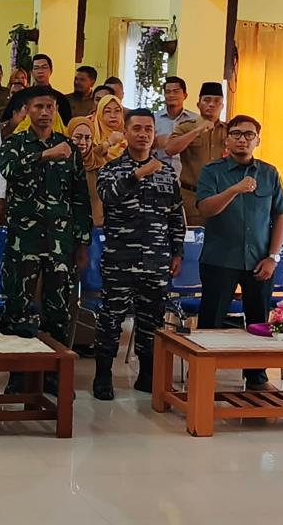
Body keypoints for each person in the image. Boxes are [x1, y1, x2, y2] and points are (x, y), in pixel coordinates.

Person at [0, 87, 92, 394]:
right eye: (38, 106)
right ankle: (18, 375)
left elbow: (80, 198)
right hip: (23, 242)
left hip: (60, 242)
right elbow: (11, 171)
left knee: (58, 310)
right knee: (18, 307)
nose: (44, 112)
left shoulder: (69, 148)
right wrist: (43, 155)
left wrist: (81, 242)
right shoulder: (14, 144)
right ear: (27, 110)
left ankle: (54, 375)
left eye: (49, 107)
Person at [91, 109, 185, 401]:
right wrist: (137, 175)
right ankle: (103, 376)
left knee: (151, 321)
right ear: (127, 133)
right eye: (137, 129)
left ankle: (147, 375)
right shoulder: (112, 170)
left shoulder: (167, 172)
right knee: (111, 320)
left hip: (155, 260)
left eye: (148, 129)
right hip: (121, 259)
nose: (143, 134)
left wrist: (177, 250)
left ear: (154, 134)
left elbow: (174, 216)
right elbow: (107, 197)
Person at [195, 115, 283, 391]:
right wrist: (234, 189)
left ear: (258, 140)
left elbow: (280, 215)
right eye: (236, 133)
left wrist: (273, 257)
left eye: (249, 135)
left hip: (259, 262)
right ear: (227, 139)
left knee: (259, 321)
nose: (242, 139)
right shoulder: (212, 172)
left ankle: (257, 376)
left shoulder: (269, 173)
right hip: (220, 260)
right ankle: (204, 376)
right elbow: (206, 209)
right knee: (212, 321)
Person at [166, 82, 228, 225]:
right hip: (192, 197)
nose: (211, 105)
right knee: (192, 241)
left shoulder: (229, 130)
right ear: (198, 104)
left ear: (222, 106)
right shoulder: (186, 127)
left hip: (222, 197)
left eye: (217, 101)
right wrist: (197, 131)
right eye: (207, 100)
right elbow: (170, 149)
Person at [155, 76, 197, 178]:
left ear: (185, 95)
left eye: (175, 91)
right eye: (168, 92)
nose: (171, 95)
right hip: (159, 176)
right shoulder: (154, 120)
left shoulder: (195, 120)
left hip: (187, 179)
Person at [28, 54, 73, 124]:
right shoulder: (21, 96)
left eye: (44, 67)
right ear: (31, 72)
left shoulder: (60, 98)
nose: (40, 71)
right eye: (36, 68)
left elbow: (66, 124)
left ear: (51, 71)